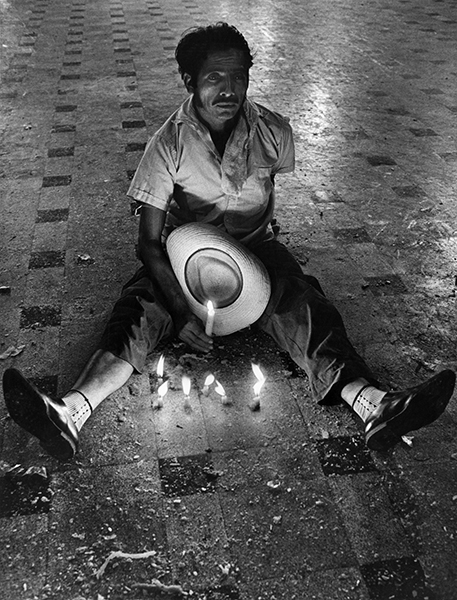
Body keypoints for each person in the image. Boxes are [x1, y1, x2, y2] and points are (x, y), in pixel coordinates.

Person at [2, 23, 455, 461]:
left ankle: (375, 404)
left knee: (307, 305)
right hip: (184, 257)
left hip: (254, 249)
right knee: (137, 311)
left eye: (238, 77)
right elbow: (149, 244)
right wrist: (181, 311)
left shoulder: (274, 133)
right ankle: (70, 411)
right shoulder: (168, 144)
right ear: (189, 81)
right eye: (214, 78)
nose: (229, 90)